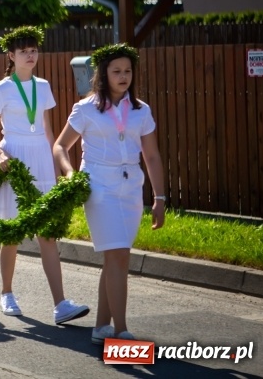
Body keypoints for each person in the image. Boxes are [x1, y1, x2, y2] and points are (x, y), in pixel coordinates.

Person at [53, 43, 166, 343]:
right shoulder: (86, 108)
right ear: (103, 74)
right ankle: (121, 330)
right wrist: (70, 173)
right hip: (99, 187)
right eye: (116, 71)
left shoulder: (141, 110)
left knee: (115, 257)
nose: (123, 76)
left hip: (131, 190)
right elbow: (60, 146)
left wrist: (160, 198)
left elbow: (152, 156)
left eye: (128, 71)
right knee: (119, 255)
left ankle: (101, 327)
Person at [0, 26, 89, 324]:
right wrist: (0, 154)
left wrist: (55, 168)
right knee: (12, 232)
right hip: (13, 157)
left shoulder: (43, 85)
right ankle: (7, 293)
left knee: (47, 233)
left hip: (40, 156)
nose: (30, 55)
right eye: (24, 51)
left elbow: (48, 130)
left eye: (34, 50)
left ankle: (60, 304)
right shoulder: (1, 88)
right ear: (11, 56)